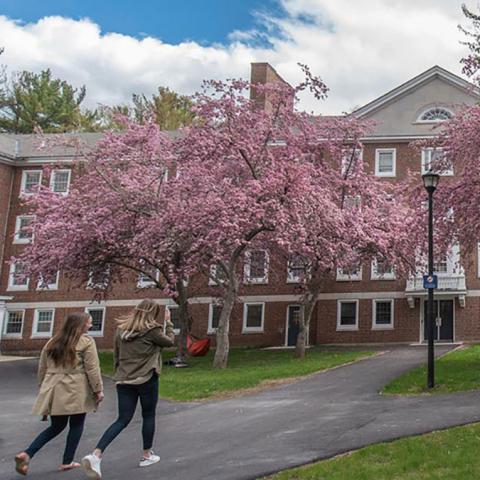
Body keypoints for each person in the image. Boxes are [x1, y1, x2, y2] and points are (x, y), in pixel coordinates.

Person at [82, 299, 175, 479]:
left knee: (122, 419)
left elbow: (117, 353)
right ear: (152, 313)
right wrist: (168, 323)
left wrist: (119, 372)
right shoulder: (152, 330)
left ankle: (96, 454)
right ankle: (147, 455)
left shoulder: (121, 329)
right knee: (148, 415)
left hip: (124, 379)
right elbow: (169, 342)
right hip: (146, 378)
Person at [15, 312, 104, 475]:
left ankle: (27, 454)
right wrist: (98, 389)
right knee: (77, 424)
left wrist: (43, 387)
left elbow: (42, 367)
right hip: (75, 388)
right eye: (89, 323)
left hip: (54, 388)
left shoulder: (52, 341)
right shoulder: (86, 341)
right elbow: (92, 368)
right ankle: (67, 461)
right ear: (80, 325)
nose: (91, 326)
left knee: (56, 426)